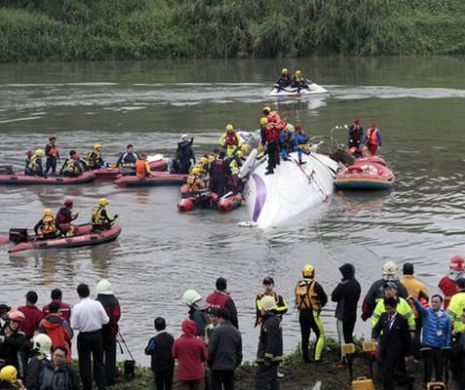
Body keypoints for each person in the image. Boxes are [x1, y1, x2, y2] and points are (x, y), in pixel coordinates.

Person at [70, 283, 109, 390]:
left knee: (84, 363)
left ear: (78, 294)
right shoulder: (97, 304)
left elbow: (73, 325)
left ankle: (87, 386)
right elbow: (106, 320)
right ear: (89, 292)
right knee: (99, 361)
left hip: (84, 336)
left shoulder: (77, 308)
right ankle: (101, 385)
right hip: (97, 335)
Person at [372, 297, 415, 390]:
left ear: (394, 307)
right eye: (386, 309)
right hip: (384, 347)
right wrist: (374, 337)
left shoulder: (402, 320)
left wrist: (409, 353)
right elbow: (377, 328)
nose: (387, 311)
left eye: (389, 309)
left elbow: (406, 337)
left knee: (387, 371)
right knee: (389, 371)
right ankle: (407, 380)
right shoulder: (383, 316)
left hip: (396, 350)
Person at [294, 264, 328, 364]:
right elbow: (324, 298)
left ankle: (306, 359)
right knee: (321, 335)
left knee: (305, 336)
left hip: (302, 314)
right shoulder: (316, 285)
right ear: (313, 273)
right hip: (313, 314)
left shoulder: (298, 285)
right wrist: (319, 306)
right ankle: (317, 359)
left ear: (303, 273)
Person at [413, 294, 451, 382]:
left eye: (436, 302)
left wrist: (447, 346)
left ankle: (440, 385)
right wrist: (414, 300)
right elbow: (420, 308)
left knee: (439, 371)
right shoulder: (427, 312)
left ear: (441, 303)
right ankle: (426, 386)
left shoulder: (446, 317)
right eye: (432, 301)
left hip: (440, 347)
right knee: (427, 371)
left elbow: (448, 332)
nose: (434, 303)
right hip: (428, 347)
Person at [331, 264, 361, 368]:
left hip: (342, 316)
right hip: (352, 315)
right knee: (349, 337)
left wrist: (340, 285)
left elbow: (333, 297)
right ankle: (351, 356)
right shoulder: (357, 284)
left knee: (343, 338)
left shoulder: (343, 285)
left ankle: (344, 360)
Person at [208, 308, 242, 390]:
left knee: (216, 387)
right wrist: (235, 364)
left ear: (220, 318)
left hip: (217, 366)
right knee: (229, 387)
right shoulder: (236, 332)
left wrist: (210, 363)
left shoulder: (216, 331)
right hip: (230, 366)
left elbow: (211, 350)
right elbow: (239, 352)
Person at [95, 279, 121, 387]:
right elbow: (118, 315)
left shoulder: (96, 302)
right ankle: (110, 379)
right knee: (111, 356)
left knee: (99, 356)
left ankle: (99, 378)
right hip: (111, 332)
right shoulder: (115, 301)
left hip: (99, 333)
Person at [255, 296, 283, 390]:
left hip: (268, 360)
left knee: (262, 381)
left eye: (262, 308)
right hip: (272, 358)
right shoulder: (272, 320)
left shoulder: (270, 323)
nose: (260, 310)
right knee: (272, 381)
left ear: (266, 309)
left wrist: (267, 357)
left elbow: (272, 341)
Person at [401, 262, 429, 352]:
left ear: (403, 272)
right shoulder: (418, 284)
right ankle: (417, 354)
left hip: (402, 314)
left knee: (403, 334)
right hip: (415, 314)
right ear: (413, 272)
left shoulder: (398, 283)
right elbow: (426, 297)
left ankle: (405, 353)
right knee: (416, 334)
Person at [172, 319, 208, 390]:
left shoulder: (177, 342)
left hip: (183, 373)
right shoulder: (199, 342)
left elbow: (174, 355)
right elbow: (205, 356)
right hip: (197, 373)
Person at [144, 317, 174, 390]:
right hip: (169, 366)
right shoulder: (171, 338)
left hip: (158, 367)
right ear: (165, 325)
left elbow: (147, 351)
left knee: (159, 385)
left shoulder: (154, 340)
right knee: (168, 385)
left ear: (155, 327)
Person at [0, 310, 30, 380]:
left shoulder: (20, 336)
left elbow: (17, 343)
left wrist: (3, 339)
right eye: (14, 321)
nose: (16, 324)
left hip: (12, 371)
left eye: (18, 322)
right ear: (8, 321)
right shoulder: (1, 333)